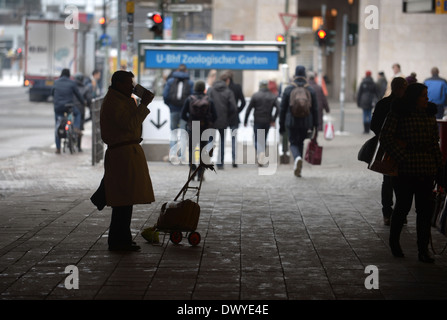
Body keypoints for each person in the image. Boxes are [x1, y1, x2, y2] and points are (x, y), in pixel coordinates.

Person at [380, 83, 443, 263]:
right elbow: (385, 137)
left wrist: (440, 168)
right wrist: (402, 157)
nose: (427, 99)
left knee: (424, 212)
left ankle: (423, 250)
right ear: (414, 97)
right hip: (405, 171)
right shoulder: (398, 113)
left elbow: (434, 143)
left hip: (426, 169)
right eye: (423, 95)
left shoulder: (429, 114)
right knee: (402, 207)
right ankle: (394, 242)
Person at [99, 70, 155, 251]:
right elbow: (130, 124)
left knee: (127, 198)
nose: (131, 87)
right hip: (121, 154)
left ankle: (123, 237)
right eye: (128, 84)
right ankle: (118, 240)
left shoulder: (123, 98)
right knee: (122, 199)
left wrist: (139, 102)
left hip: (127, 152)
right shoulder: (113, 102)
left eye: (132, 84)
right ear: (117, 83)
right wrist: (143, 105)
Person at [371, 77, 408, 226]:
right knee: (402, 181)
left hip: (386, 147)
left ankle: (388, 213)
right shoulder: (405, 106)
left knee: (388, 180)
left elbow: (373, 125)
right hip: (401, 148)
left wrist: (382, 137)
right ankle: (399, 213)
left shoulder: (383, 103)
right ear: (400, 88)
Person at [279, 65, 319, 177]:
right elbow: (315, 109)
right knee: (300, 142)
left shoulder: (289, 89)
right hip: (306, 122)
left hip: (291, 121)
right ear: (305, 75)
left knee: (293, 142)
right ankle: (299, 166)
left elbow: (282, 109)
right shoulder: (310, 89)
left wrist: (281, 125)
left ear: (295, 75)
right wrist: (316, 125)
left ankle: (297, 158)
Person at [181, 80, 217, 180]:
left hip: (193, 127)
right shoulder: (209, 99)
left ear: (195, 88)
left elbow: (182, 115)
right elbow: (215, 115)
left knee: (192, 149)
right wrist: (209, 122)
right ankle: (201, 173)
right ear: (203, 88)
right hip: (204, 127)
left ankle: (192, 171)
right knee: (203, 150)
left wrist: (189, 121)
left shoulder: (189, 99)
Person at [163, 64, 194, 161]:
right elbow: (192, 97)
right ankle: (182, 156)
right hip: (185, 112)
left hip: (173, 110)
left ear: (177, 70)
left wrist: (170, 106)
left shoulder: (171, 81)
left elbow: (165, 96)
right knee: (183, 133)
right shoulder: (190, 82)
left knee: (173, 132)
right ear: (185, 71)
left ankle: (172, 154)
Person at [244, 80, 279, 166]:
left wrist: (245, 121)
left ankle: (260, 153)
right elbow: (279, 108)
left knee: (256, 139)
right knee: (263, 139)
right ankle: (261, 154)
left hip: (257, 121)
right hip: (267, 121)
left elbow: (248, 109)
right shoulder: (272, 96)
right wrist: (273, 119)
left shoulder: (255, 96)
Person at [207, 72, 237, 169]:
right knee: (222, 141)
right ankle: (220, 163)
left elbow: (206, 103)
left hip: (211, 120)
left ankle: (207, 160)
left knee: (210, 140)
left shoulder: (211, 90)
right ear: (227, 81)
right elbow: (234, 107)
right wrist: (228, 116)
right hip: (223, 120)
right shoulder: (228, 92)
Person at [52, 68, 84, 154]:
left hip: (58, 107)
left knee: (57, 126)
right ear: (69, 75)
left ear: (61, 75)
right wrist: (83, 102)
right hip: (69, 107)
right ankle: (76, 127)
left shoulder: (56, 82)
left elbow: (52, 93)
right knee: (77, 114)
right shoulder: (72, 83)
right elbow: (78, 95)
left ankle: (58, 148)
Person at [224, 70, 246, 168]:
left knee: (222, 138)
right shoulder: (237, 87)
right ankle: (234, 159)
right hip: (234, 116)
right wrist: (238, 110)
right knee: (234, 139)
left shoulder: (223, 88)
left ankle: (221, 159)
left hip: (224, 116)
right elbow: (243, 102)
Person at [74, 73, 92, 152]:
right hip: (81, 109)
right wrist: (89, 107)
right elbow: (89, 100)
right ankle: (78, 146)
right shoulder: (85, 88)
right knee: (79, 128)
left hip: (70, 107)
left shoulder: (72, 87)